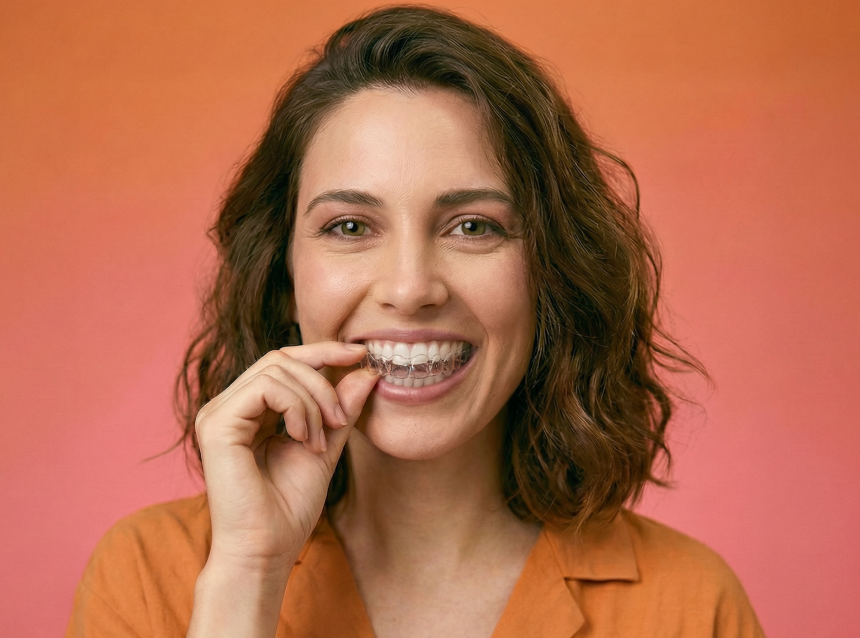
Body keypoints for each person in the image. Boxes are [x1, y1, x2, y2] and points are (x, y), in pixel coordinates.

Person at [66, 6, 765, 637]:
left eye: (471, 225)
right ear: (283, 274)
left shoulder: (688, 605)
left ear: (553, 271)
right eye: (348, 225)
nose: (409, 287)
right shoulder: (150, 577)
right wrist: (247, 570)